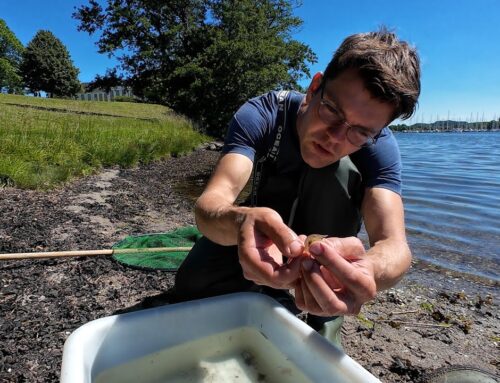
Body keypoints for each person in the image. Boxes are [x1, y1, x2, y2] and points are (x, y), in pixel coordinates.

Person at [174, 28, 421, 343]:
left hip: (323, 255)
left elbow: (395, 247)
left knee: (339, 167)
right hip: (255, 234)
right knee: (192, 283)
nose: (335, 137)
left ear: (379, 131)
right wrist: (241, 222)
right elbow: (210, 205)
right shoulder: (262, 114)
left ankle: (324, 314)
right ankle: (263, 286)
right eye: (332, 110)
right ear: (314, 86)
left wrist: (368, 268)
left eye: (360, 132)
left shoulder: (380, 149)